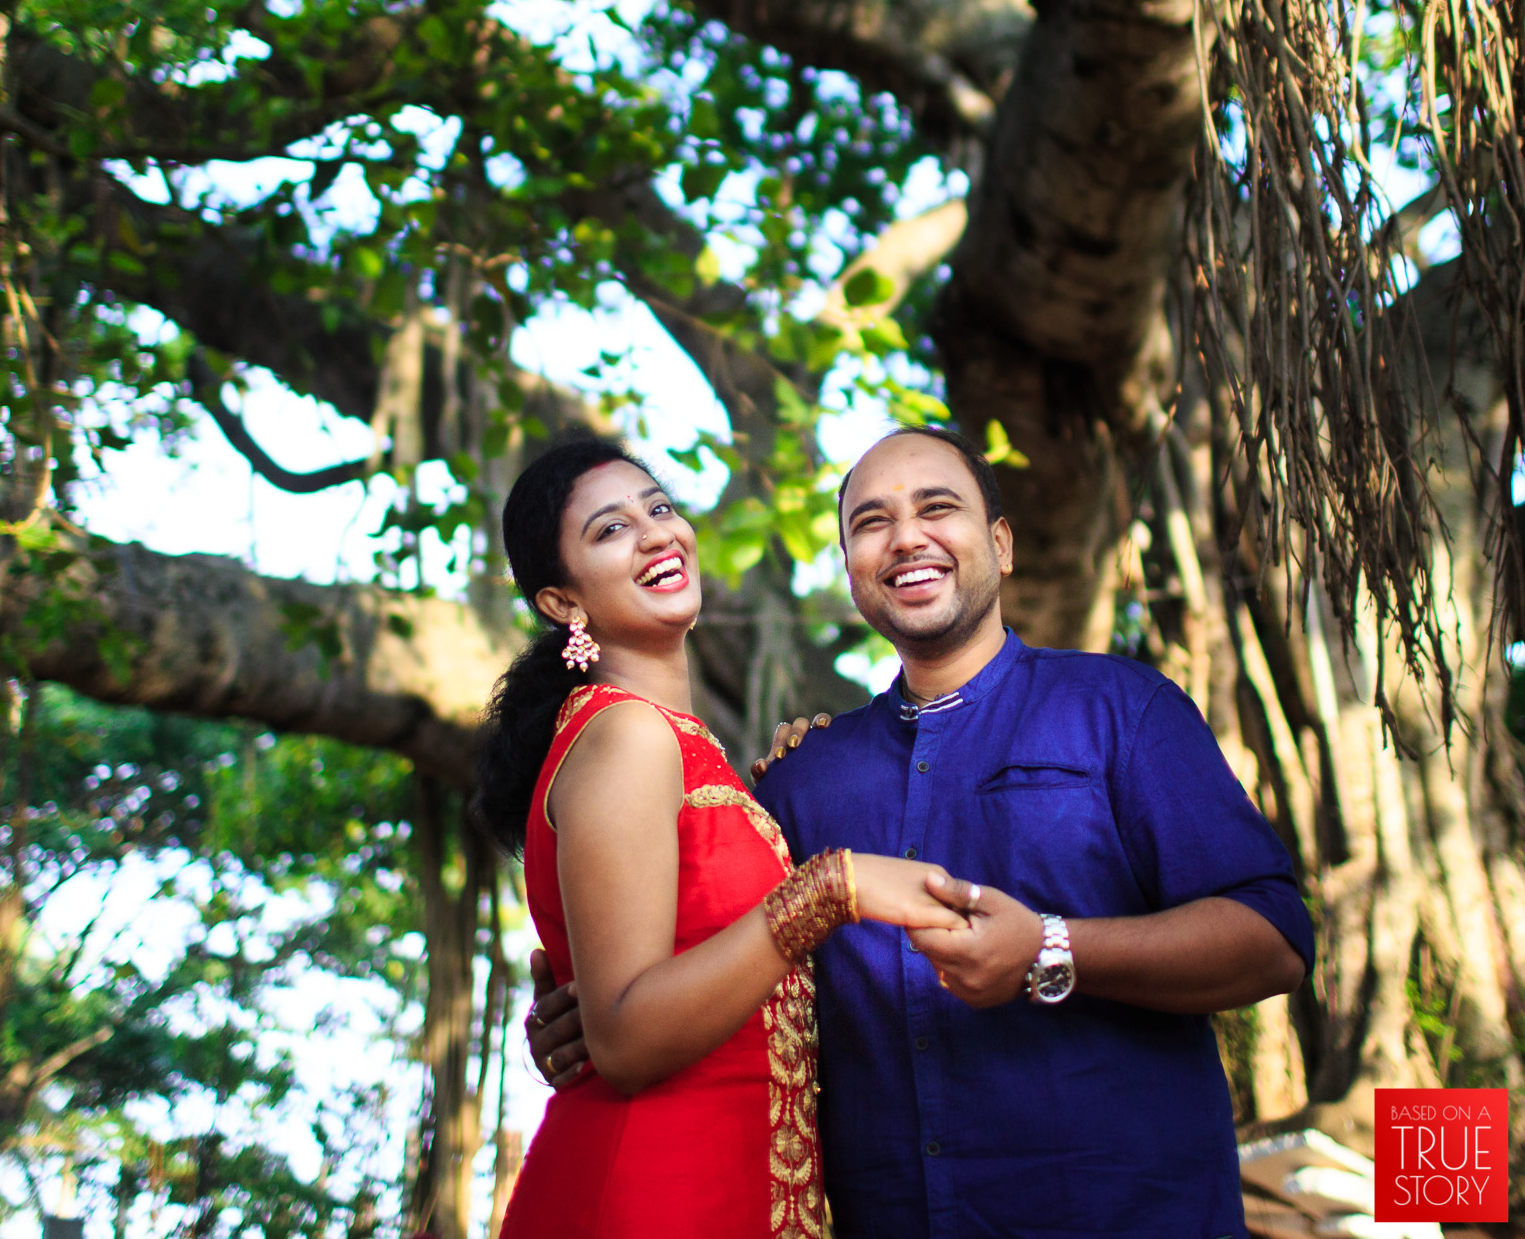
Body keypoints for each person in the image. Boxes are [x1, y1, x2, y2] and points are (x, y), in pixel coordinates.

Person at [526, 425, 1315, 1238]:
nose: (906, 536)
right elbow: (706, 971)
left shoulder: (1119, 709)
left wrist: (1052, 948)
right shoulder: (802, 781)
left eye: (938, 508)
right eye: (871, 522)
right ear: (853, 574)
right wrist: (586, 1010)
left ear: (1001, 544)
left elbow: (1274, 938)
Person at [478, 437, 979, 1239]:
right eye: (610, 530)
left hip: (730, 1182)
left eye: (661, 508)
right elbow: (627, 1036)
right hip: (654, 1190)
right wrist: (829, 890)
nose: (655, 534)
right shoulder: (628, 734)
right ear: (563, 603)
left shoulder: (672, 743)